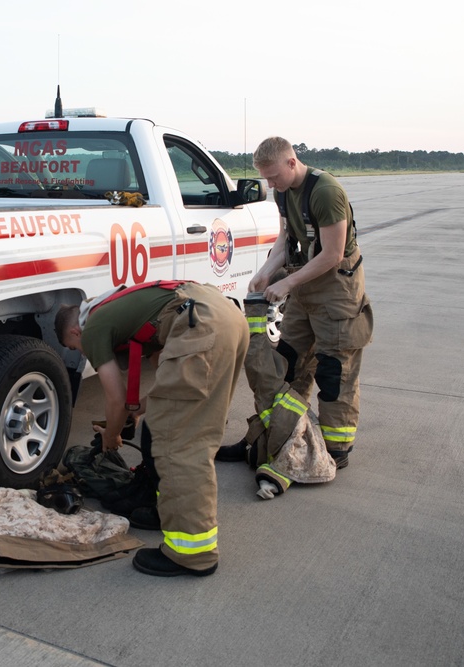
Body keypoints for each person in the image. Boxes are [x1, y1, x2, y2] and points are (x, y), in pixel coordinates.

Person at [55, 281, 248, 578]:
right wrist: (136, 412)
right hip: (225, 317)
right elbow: (166, 376)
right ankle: (167, 512)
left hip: (201, 324)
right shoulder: (114, 306)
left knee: (178, 443)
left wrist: (111, 435)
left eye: (74, 348)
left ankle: (192, 553)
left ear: (74, 333)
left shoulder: (91, 327)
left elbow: (115, 399)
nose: (80, 353)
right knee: (164, 429)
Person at [218, 137, 373, 470]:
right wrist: (265, 273)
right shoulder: (283, 191)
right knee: (287, 362)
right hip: (305, 287)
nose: (270, 184)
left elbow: (332, 254)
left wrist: (287, 283)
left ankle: (335, 448)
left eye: (274, 176)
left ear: (292, 162)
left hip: (337, 291)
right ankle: (277, 433)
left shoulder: (326, 192)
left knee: (334, 371)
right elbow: (286, 237)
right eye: (266, 178)